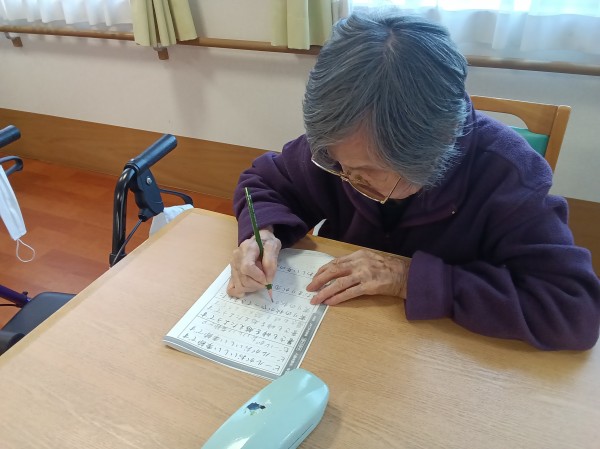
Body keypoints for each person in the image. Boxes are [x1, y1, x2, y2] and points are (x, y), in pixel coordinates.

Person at [226, 11, 600, 350]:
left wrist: (409, 278)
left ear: (434, 154)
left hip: (447, 354)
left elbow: (574, 310)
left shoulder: (509, 174)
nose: (348, 177)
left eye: (367, 173)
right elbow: (264, 181)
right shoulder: (341, 147)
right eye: (339, 165)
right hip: (346, 335)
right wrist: (263, 233)